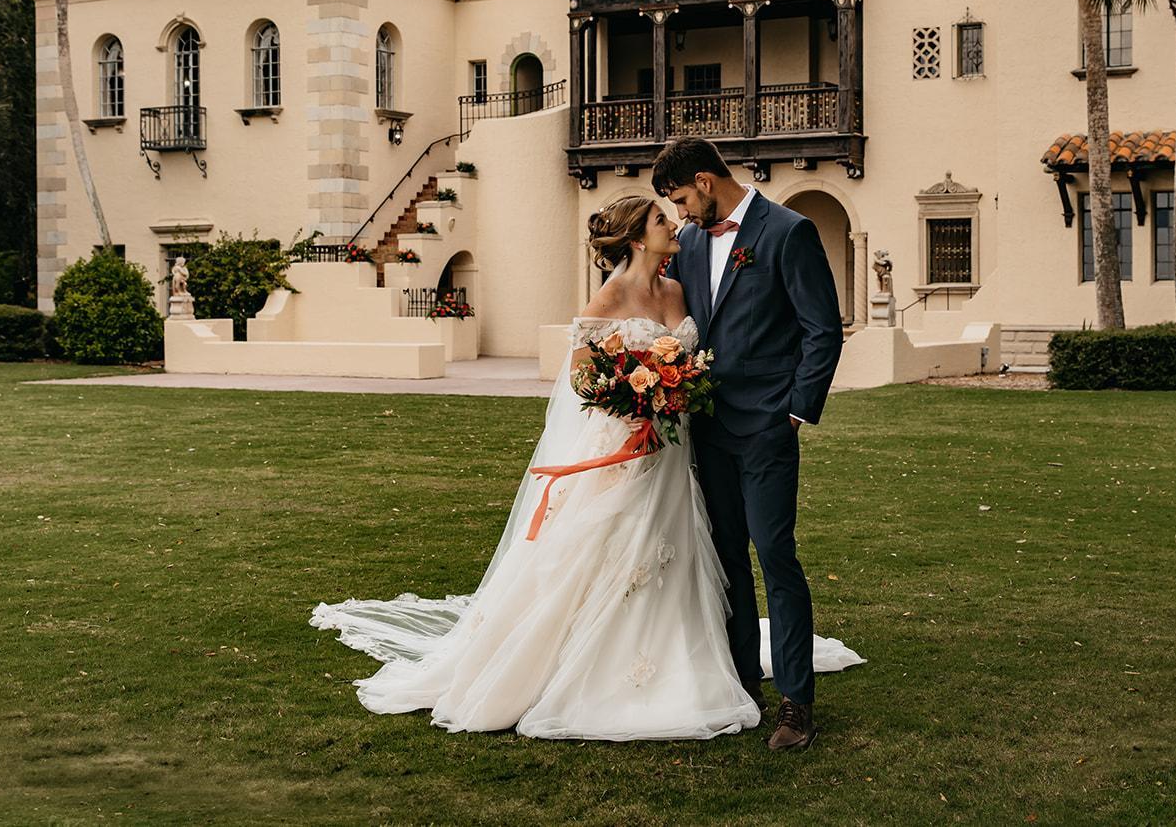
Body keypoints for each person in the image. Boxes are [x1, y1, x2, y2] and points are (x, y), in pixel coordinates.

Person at [310, 192, 860, 742]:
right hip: (629, 449)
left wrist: (675, 392)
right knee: (622, 548)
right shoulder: (610, 297)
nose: (675, 223)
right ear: (638, 238)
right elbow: (581, 378)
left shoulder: (677, 286)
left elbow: (705, 347)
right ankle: (610, 664)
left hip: (680, 449)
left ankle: (712, 661)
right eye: (661, 218)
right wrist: (635, 400)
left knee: (691, 550)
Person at [651, 137, 845, 751]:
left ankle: (796, 703)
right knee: (726, 560)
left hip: (767, 427)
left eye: (681, 199)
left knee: (775, 556)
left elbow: (822, 330)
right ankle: (741, 685)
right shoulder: (686, 244)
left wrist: (795, 413)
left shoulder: (789, 232)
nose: (680, 214)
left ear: (705, 182)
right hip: (705, 429)